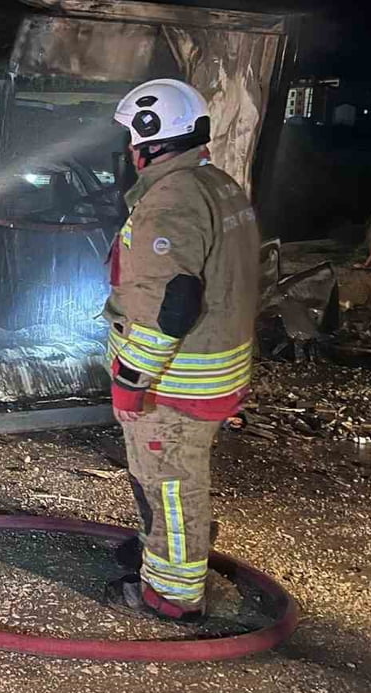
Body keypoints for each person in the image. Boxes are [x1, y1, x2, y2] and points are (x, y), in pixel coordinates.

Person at [103, 78, 258, 622]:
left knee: (168, 482)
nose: (128, 148)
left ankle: (170, 593)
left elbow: (170, 303)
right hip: (216, 370)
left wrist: (131, 381)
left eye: (131, 135)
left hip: (173, 384)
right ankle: (165, 551)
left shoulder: (169, 200)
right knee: (178, 475)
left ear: (150, 137)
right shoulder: (217, 184)